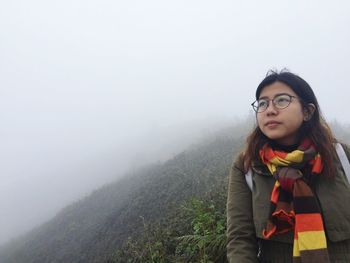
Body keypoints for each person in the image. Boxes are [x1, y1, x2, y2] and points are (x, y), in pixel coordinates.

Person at [226, 70, 350, 263]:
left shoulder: (342, 156)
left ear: (308, 111)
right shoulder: (247, 165)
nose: (270, 110)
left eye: (282, 100)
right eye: (263, 103)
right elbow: (240, 238)